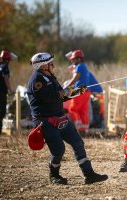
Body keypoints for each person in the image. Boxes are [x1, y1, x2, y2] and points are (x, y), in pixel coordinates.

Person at [27, 52, 108, 185]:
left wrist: (77, 92)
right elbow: (49, 98)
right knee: (59, 150)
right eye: (50, 63)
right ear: (43, 66)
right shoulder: (37, 80)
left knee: (78, 143)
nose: (53, 65)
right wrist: (63, 92)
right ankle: (54, 175)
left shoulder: (51, 77)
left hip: (61, 118)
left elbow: (62, 97)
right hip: (46, 121)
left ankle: (89, 174)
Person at [64, 50, 91, 136]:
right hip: (86, 90)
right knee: (83, 111)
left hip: (79, 90)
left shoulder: (79, 67)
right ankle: (85, 130)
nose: (72, 61)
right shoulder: (84, 66)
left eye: (73, 59)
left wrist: (65, 87)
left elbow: (75, 78)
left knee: (72, 109)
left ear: (79, 59)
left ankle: (79, 128)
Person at [0, 50, 17, 135]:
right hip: (1, 93)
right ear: (7, 59)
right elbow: (6, 79)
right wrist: (10, 90)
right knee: (1, 111)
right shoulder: (5, 67)